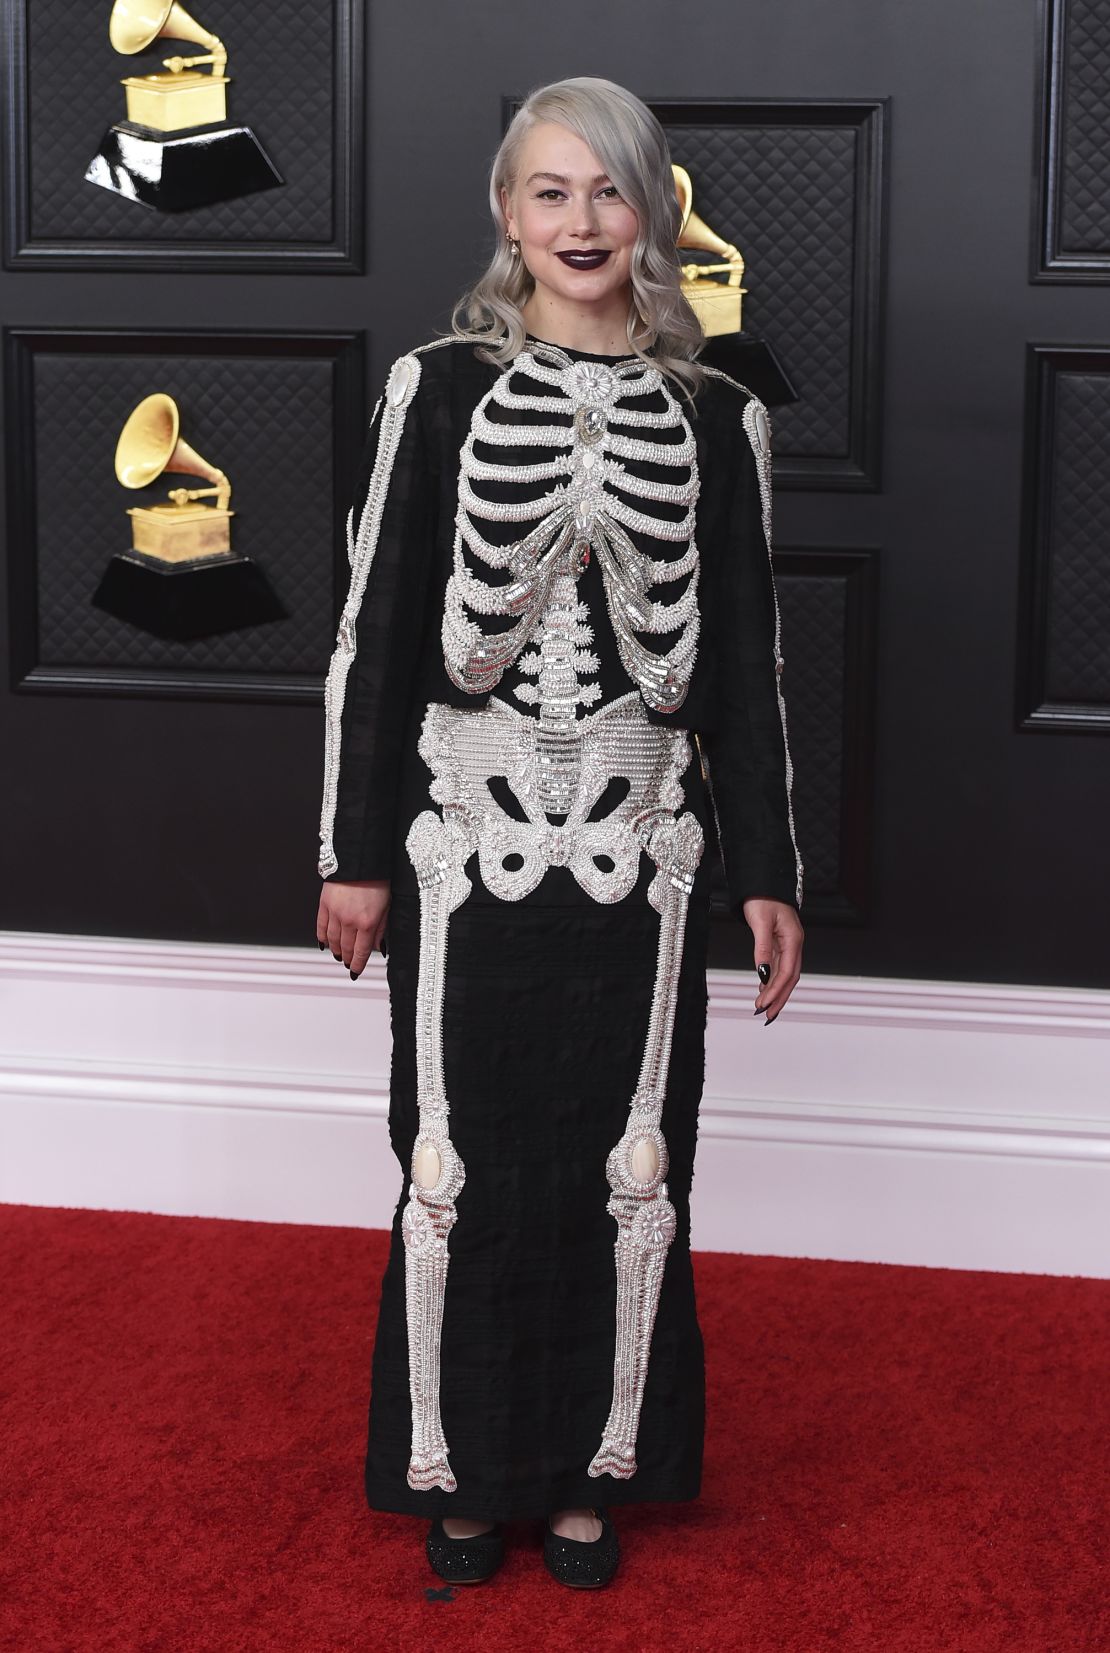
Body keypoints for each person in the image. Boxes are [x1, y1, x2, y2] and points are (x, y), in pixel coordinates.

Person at [315, 74, 804, 1590]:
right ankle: (458, 1475)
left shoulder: (718, 412)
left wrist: (768, 868)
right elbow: (378, 629)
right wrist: (350, 847)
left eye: (608, 191)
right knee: (455, 1163)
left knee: (632, 1167)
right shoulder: (439, 390)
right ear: (506, 212)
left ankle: (596, 1473)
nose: (580, 221)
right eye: (549, 190)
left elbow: (743, 663)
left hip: (645, 857)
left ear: (650, 212)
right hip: (465, 845)